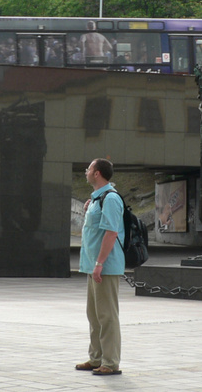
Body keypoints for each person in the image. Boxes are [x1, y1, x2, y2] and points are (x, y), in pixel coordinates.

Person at [76, 158, 125, 376]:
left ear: (97, 173)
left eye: (89, 169)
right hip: (93, 266)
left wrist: (99, 263)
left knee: (107, 315)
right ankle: (96, 358)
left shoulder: (111, 199)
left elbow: (111, 232)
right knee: (94, 315)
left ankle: (110, 362)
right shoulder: (97, 199)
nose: (86, 171)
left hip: (104, 267)